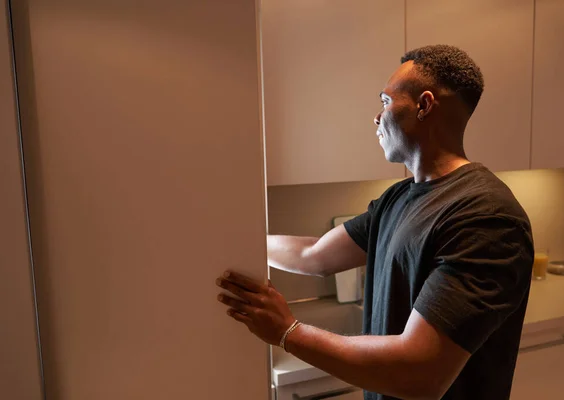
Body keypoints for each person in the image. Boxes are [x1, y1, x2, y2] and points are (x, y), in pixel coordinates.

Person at [216, 44, 534, 400]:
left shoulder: (486, 218)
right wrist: (235, 241)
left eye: (385, 102)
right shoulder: (397, 199)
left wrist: (287, 331)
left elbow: (421, 373)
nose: (376, 117)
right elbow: (314, 255)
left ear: (424, 105)